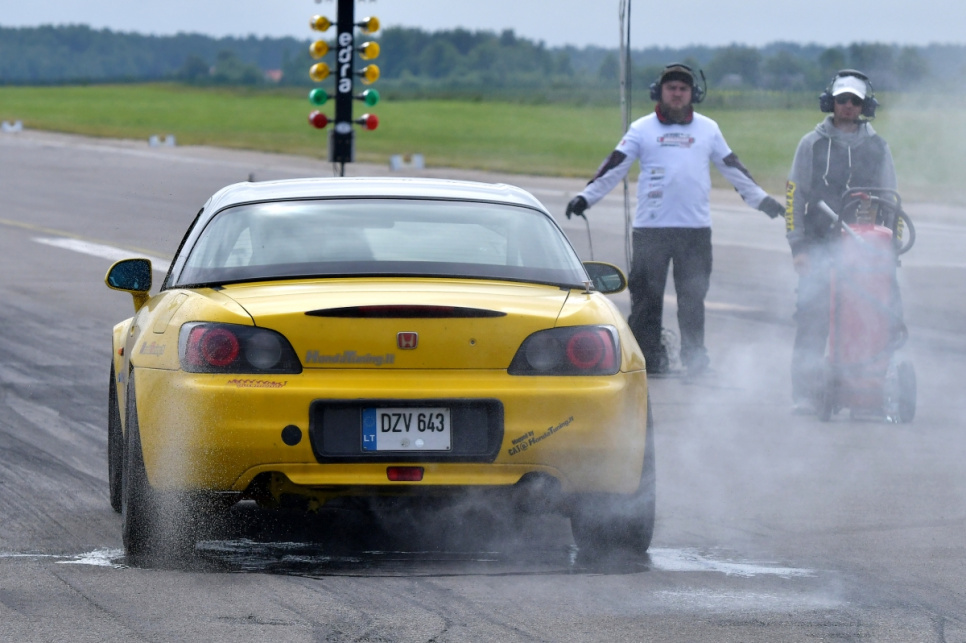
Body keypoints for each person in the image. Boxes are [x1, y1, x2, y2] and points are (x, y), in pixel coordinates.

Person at [565, 62, 784, 377]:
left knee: (693, 299)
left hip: (694, 231)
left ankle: (695, 360)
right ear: (659, 92)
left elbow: (733, 168)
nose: (677, 94)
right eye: (671, 88)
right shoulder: (642, 129)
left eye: (683, 89)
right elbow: (614, 166)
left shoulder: (708, 129)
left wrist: (762, 200)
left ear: (693, 94)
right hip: (651, 229)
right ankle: (648, 359)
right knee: (646, 299)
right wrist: (586, 197)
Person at [784, 69, 898, 413]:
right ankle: (806, 394)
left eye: (855, 101)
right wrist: (798, 247)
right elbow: (793, 197)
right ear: (830, 103)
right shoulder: (811, 143)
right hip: (819, 245)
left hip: (866, 250)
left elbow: (891, 202)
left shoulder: (878, 147)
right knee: (812, 317)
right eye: (842, 99)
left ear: (865, 106)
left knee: (867, 317)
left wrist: (891, 249)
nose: (848, 106)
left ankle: (863, 389)